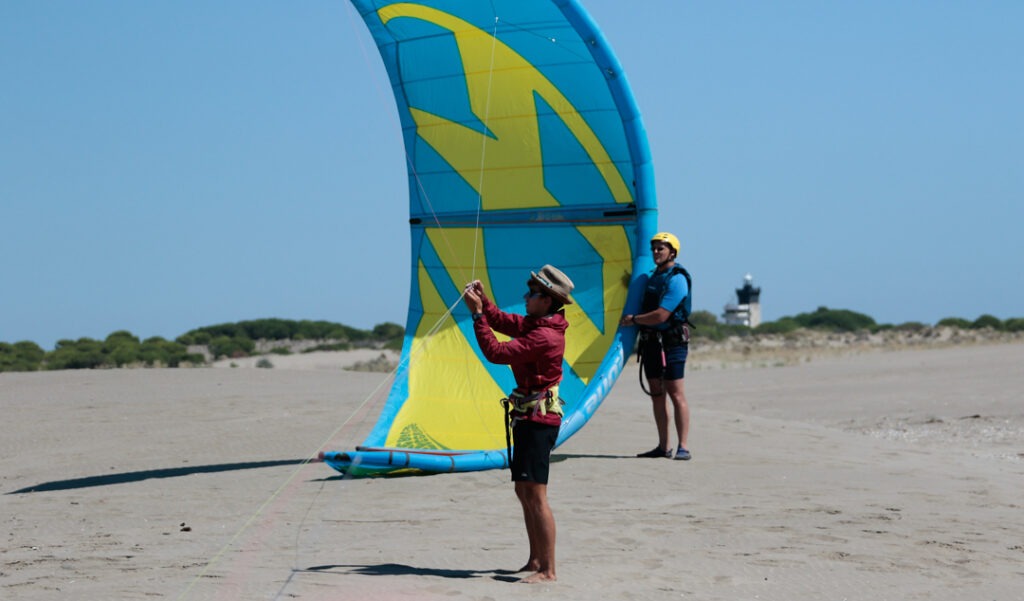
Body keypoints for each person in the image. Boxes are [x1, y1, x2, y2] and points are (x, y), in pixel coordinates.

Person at [462, 264, 573, 584]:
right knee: (523, 491)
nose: (526, 297)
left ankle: (548, 571)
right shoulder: (535, 323)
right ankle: (535, 559)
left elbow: (496, 352)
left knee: (536, 496)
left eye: (533, 293)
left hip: (540, 421)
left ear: (548, 300)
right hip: (527, 418)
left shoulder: (544, 335)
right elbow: (502, 321)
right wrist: (485, 302)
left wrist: (477, 316)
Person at [620, 232, 693, 461]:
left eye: (660, 249)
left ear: (672, 252)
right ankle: (663, 446)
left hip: (672, 343)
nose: (655, 253)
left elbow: (662, 315)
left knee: (676, 393)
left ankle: (683, 446)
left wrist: (634, 320)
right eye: (653, 249)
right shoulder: (651, 277)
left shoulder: (677, 278)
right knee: (657, 394)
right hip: (651, 343)